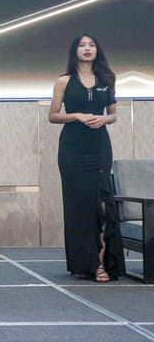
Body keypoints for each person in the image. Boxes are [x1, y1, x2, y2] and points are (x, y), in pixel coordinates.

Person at [49, 33, 125, 282]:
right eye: (82, 45)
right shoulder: (64, 81)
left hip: (99, 147)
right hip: (72, 149)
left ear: (97, 50)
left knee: (101, 203)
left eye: (91, 44)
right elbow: (53, 115)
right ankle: (83, 263)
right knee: (78, 206)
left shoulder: (107, 79)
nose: (87, 48)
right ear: (75, 51)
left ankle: (101, 264)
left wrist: (104, 119)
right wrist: (77, 116)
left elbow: (113, 114)